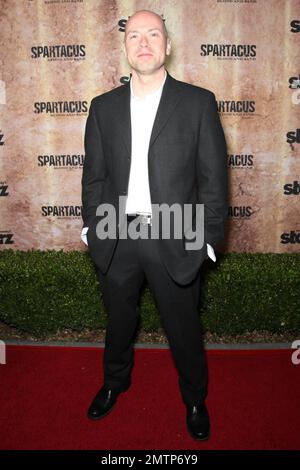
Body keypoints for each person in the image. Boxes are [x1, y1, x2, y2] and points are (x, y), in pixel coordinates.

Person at [81, 9, 228, 441]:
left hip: (176, 232)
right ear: (126, 48)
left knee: (183, 327)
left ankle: (195, 397)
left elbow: (213, 181)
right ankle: (114, 382)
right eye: (134, 36)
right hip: (116, 232)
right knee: (119, 320)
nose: (143, 42)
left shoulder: (198, 102)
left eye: (153, 34)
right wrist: (93, 228)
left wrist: (207, 240)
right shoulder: (103, 108)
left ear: (167, 46)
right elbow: (93, 176)